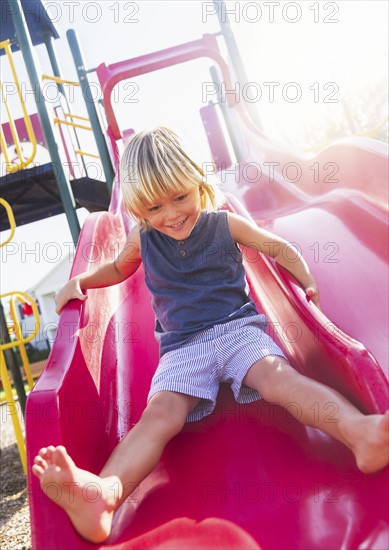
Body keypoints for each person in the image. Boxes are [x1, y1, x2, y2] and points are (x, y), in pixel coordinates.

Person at [32, 127, 389, 543]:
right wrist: (82, 282)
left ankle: (359, 433)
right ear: (138, 210)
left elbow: (275, 246)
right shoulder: (142, 239)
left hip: (239, 331)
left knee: (280, 379)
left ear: (196, 184)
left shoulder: (223, 224)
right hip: (182, 349)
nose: (171, 213)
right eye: (154, 206)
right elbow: (117, 269)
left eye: (180, 196)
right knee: (160, 415)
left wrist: (305, 280)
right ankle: (106, 494)